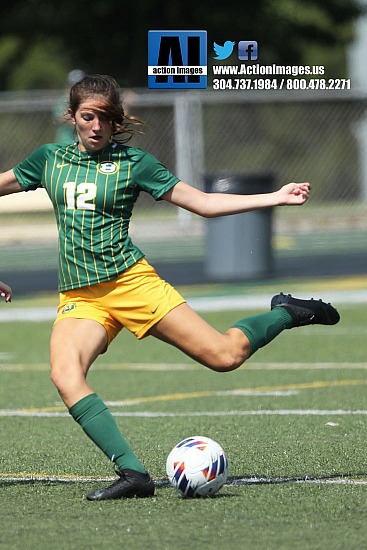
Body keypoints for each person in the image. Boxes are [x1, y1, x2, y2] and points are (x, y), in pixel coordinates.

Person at [0, 74, 340, 501]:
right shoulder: (48, 159)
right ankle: (133, 475)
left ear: (116, 120)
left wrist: (273, 197)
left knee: (225, 356)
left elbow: (204, 203)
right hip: (81, 298)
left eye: (106, 118)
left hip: (132, 283)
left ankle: (286, 312)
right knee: (65, 375)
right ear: (72, 116)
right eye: (88, 116)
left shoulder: (135, 163)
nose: (96, 126)